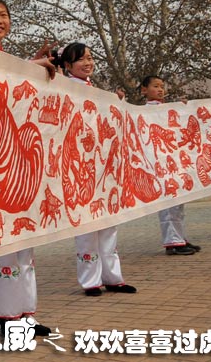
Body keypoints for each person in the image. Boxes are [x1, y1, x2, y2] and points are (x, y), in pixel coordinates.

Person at [0, 0, 52, 337]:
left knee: (22, 242)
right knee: (1, 242)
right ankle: (6, 318)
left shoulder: (5, 59)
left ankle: (25, 313)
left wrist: (31, 68)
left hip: (16, 165)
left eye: (3, 14)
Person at [56, 42, 136, 297]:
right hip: (80, 167)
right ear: (67, 65)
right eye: (81, 59)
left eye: (90, 58)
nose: (88, 63)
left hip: (103, 168)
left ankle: (113, 277)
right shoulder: (63, 89)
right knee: (87, 226)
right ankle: (91, 280)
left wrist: (116, 103)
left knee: (108, 224)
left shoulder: (96, 91)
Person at [141, 75, 201, 255]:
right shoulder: (143, 112)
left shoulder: (168, 109)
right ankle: (172, 242)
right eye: (155, 86)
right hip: (160, 163)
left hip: (174, 161)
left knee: (178, 203)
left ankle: (180, 238)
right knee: (168, 203)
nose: (160, 90)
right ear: (144, 90)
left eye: (162, 86)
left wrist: (183, 109)